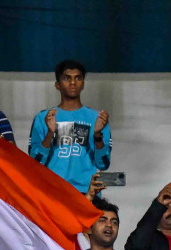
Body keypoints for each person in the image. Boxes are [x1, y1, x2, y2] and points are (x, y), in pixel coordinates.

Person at [28, 60, 112, 194]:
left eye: (78, 78)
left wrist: (97, 136)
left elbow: (103, 164)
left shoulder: (98, 118)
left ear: (83, 83)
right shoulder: (43, 117)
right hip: (51, 192)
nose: (73, 82)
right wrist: (50, 134)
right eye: (67, 78)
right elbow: (34, 163)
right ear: (57, 85)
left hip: (87, 192)